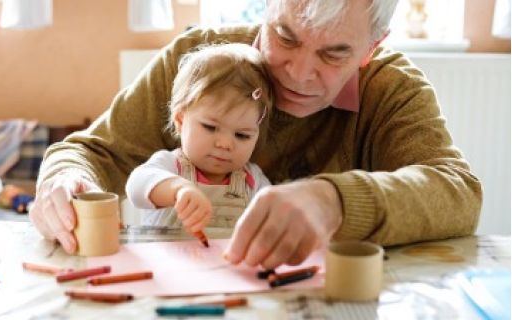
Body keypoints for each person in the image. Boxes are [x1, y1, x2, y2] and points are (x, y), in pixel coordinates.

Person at [29, 0, 481, 270]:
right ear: (266, 9)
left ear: (370, 49)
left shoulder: (392, 89)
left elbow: (457, 192)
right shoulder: (198, 61)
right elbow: (92, 151)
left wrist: (334, 200)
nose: (300, 73)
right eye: (285, 36)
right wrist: (63, 181)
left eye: (334, 53)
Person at [125, 43, 273, 235]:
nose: (225, 144)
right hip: (169, 264)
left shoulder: (252, 180)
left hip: (226, 263)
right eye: (210, 127)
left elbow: (274, 213)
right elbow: (136, 187)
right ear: (180, 120)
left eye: (242, 135)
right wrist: (178, 189)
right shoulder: (171, 165)